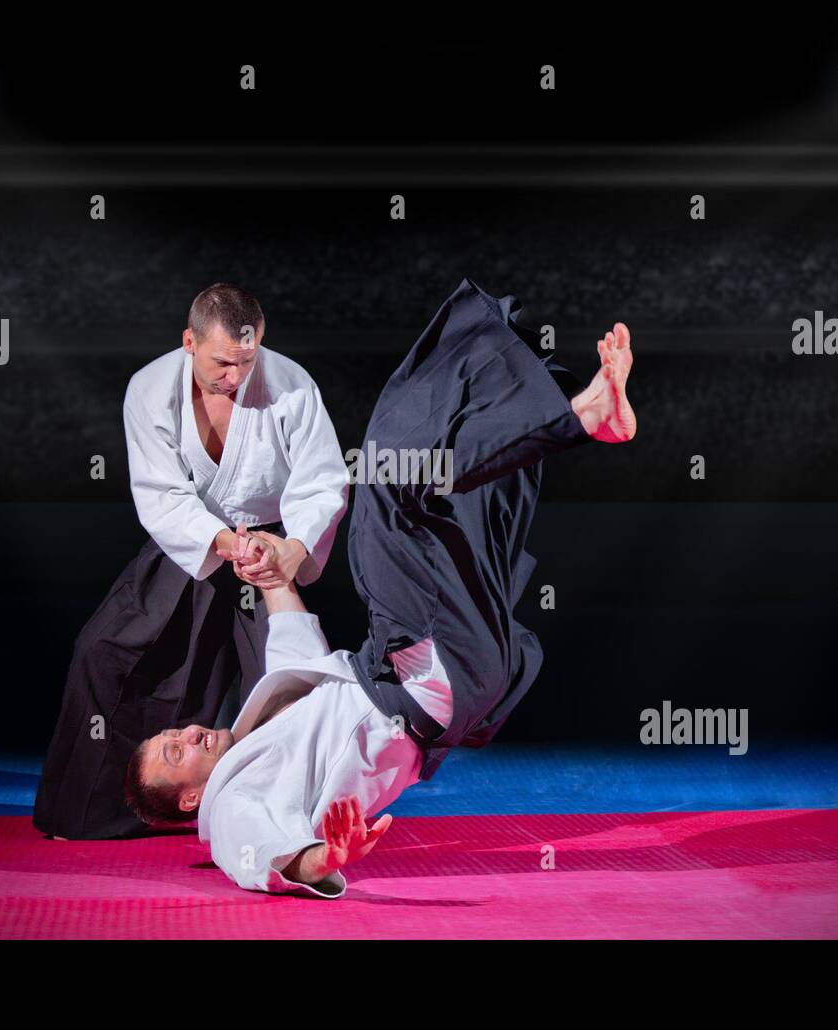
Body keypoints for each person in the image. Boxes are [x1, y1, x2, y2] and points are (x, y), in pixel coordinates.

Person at [125, 278, 636, 895]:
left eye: (169, 734)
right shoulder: (232, 801)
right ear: (191, 802)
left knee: (448, 494)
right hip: (416, 677)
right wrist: (320, 857)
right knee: (386, 481)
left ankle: (562, 401)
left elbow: (289, 628)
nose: (184, 734)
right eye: (175, 754)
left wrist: (266, 566)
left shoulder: (267, 713)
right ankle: (577, 416)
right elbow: (257, 856)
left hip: (452, 668)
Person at [33, 283, 349, 840]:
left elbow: (321, 481)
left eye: (247, 361)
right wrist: (225, 542)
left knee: (290, 692)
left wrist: (292, 549)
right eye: (223, 362)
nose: (236, 377)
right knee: (102, 651)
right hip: (195, 539)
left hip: (271, 549)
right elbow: (160, 493)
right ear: (189, 342)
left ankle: (287, 827)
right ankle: (96, 810)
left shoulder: (292, 385)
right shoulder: (151, 389)